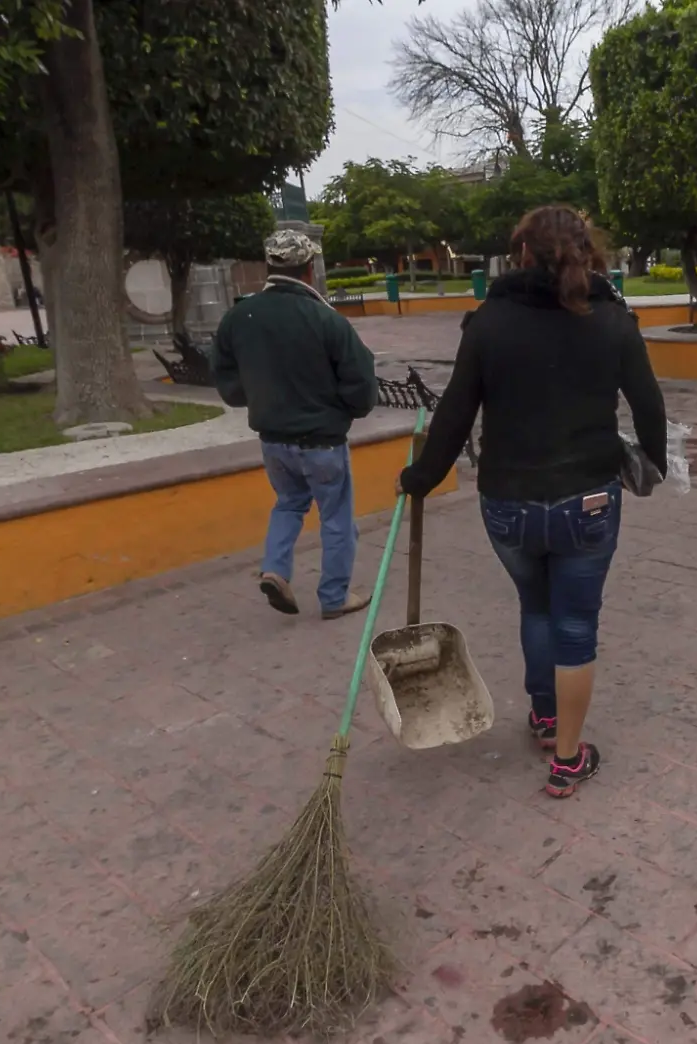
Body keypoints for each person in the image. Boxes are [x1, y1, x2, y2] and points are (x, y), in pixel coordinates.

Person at [398, 205, 666, 799]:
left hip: (509, 503)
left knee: (537, 607)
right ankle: (568, 758)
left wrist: (421, 477)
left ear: (520, 254)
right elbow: (649, 404)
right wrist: (654, 461)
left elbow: (455, 414)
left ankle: (545, 716)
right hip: (590, 499)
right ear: (588, 254)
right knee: (575, 623)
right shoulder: (613, 320)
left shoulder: (489, 322)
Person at [213, 230, 378, 620]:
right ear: (309, 268)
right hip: (322, 441)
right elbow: (361, 383)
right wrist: (344, 412)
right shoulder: (325, 319)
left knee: (288, 503)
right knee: (336, 517)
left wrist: (254, 397)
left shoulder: (238, 318)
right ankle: (334, 597)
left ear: (269, 265)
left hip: (273, 440)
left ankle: (275, 569)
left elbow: (227, 379)